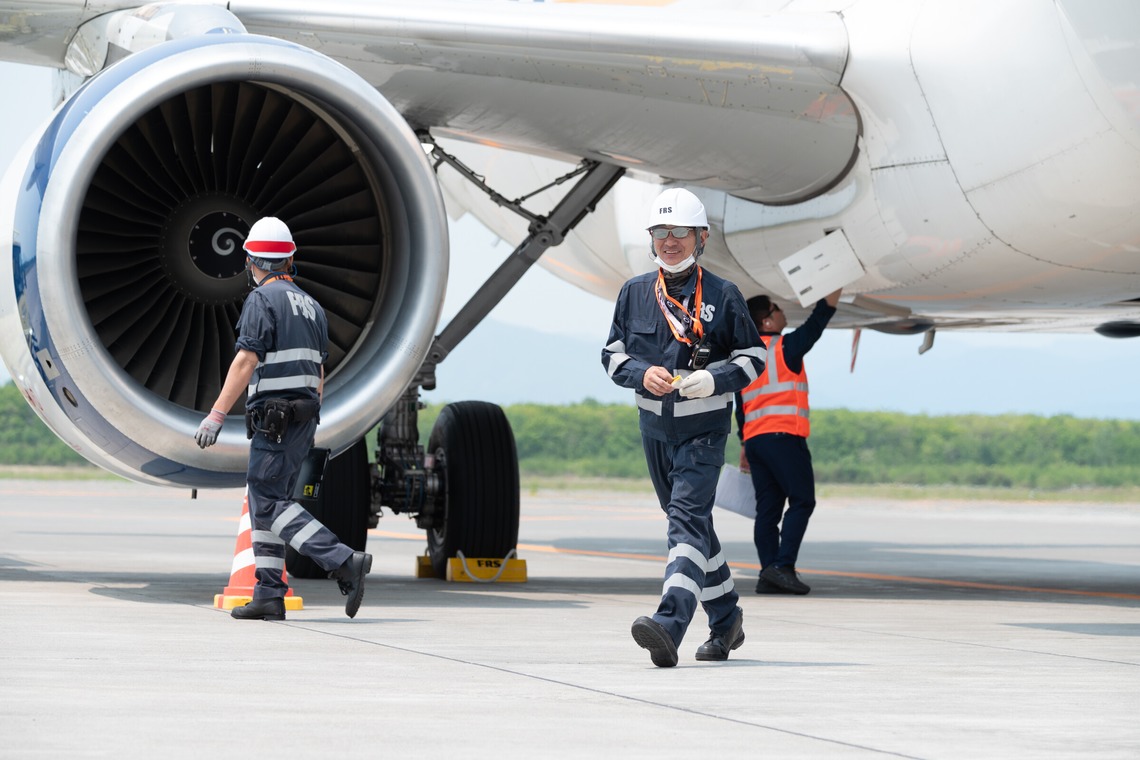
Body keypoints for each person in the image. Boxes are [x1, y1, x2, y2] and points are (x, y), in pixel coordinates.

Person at [602, 188, 765, 667]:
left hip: (704, 432)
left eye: (680, 232)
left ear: (701, 237)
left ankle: (669, 623)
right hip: (655, 432)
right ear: (651, 237)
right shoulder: (634, 293)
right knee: (695, 528)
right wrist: (640, 374)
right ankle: (726, 618)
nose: (670, 241)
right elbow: (611, 355)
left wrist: (714, 378)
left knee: (685, 525)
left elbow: (754, 357)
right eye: (661, 232)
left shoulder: (723, 294)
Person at [195, 217, 371, 621]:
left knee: (269, 503)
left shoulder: (262, 300)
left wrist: (216, 414)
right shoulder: (311, 306)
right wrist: (308, 421)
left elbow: (246, 359)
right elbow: (320, 371)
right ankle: (269, 593)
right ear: (290, 259)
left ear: (251, 261)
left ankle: (343, 560)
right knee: (267, 503)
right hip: (302, 417)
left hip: (276, 419)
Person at [735, 289, 841, 596]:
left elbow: (740, 406)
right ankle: (783, 566)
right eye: (777, 309)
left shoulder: (745, 359)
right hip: (783, 437)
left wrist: (744, 443)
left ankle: (769, 573)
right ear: (767, 321)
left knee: (768, 511)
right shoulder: (785, 348)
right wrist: (832, 292)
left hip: (756, 442)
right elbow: (816, 323)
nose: (783, 312)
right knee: (802, 501)